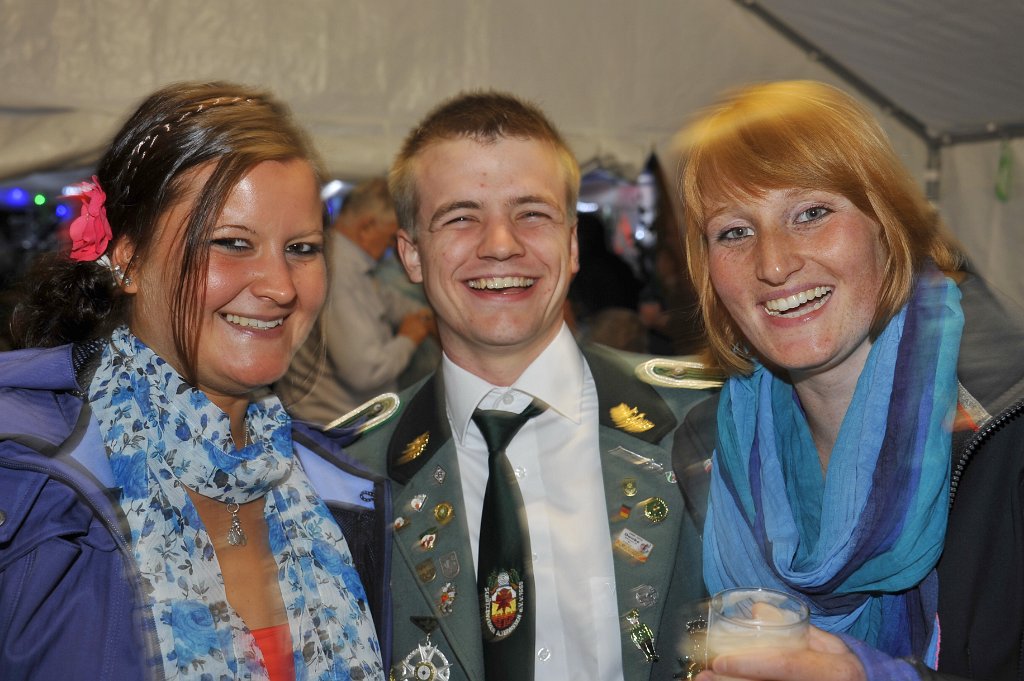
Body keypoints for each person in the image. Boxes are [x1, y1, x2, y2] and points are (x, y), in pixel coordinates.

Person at [0, 82, 387, 681]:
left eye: (302, 248)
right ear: (128, 259)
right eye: (232, 243)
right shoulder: (26, 484)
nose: (281, 286)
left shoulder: (348, 493)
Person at [345, 90, 718, 681]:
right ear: (411, 255)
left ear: (571, 244)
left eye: (532, 214)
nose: (500, 244)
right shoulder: (354, 475)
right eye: (461, 217)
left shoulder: (707, 424)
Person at [672, 80, 1024, 681]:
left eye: (811, 213)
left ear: (888, 224)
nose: (774, 263)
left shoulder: (1006, 438)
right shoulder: (706, 447)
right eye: (734, 231)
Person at [278, 177, 434, 424]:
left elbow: (388, 301)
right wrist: (409, 338)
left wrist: (427, 317)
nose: (393, 248)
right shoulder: (340, 272)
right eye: (391, 237)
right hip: (338, 426)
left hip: (343, 420)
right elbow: (365, 371)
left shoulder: (349, 263)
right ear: (367, 227)